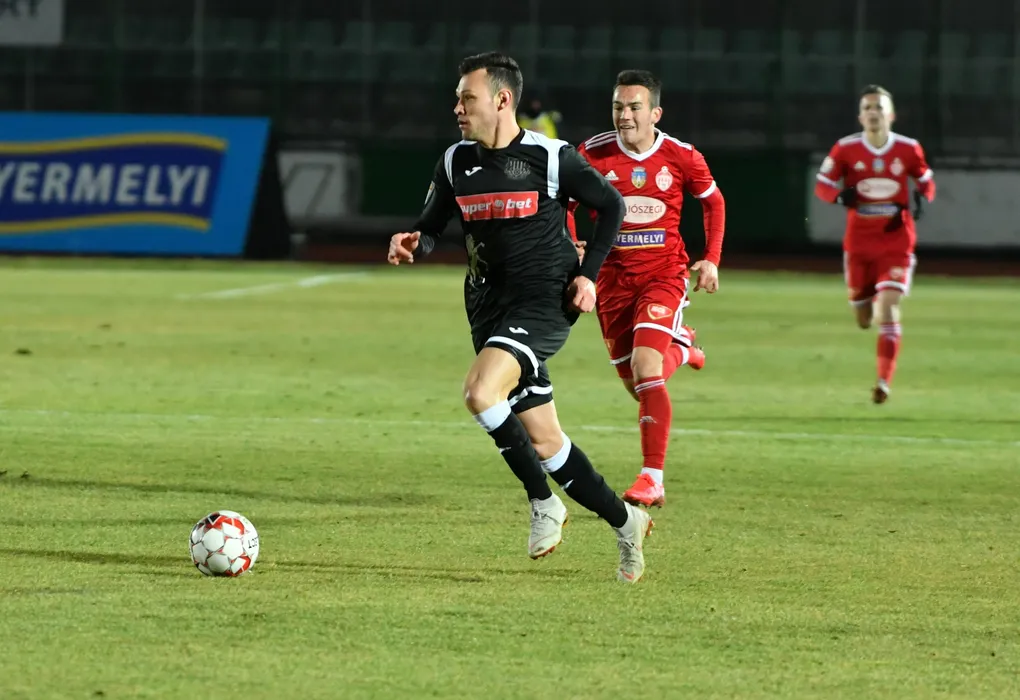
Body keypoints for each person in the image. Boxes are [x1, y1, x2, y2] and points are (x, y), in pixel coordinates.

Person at [386, 52, 653, 582]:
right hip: (487, 306)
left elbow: (612, 207)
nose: (457, 108)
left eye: (467, 98)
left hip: (544, 301)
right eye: (458, 98)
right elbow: (432, 224)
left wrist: (588, 276)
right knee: (546, 442)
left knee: (479, 392)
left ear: (502, 100)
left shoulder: (552, 158)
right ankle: (628, 523)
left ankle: (543, 502)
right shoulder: (454, 162)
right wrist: (416, 241)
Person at [567, 70, 726, 508]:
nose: (624, 115)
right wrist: (572, 246)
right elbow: (565, 204)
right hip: (612, 281)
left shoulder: (681, 156)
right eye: (618, 106)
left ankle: (652, 478)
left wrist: (711, 258)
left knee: (645, 367)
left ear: (655, 113)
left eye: (634, 107)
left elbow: (713, 202)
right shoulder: (591, 154)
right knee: (636, 384)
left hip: (664, 275)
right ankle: (683, 347)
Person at [814, 85, 935, 403]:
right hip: (859, 246)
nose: (873, 113)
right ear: (860, 116)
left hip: (896, 242)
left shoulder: (908, 149)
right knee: (864, 317)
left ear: (891, 115)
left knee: (888, 307)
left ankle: (883, 382)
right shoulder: (845, 149)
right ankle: (865, 312)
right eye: (867, 107)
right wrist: (839, 196)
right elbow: (822, 184)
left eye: (879, 107)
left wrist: (923, 198)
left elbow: (926, 181)